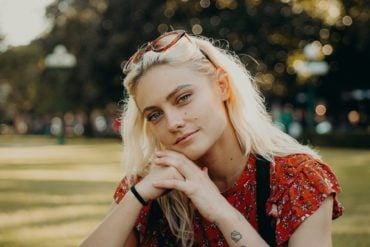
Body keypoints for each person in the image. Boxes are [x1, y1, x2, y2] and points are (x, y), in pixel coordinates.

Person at [81, 30, 343, 247]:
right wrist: (135, 196)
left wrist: (220, 210)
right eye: (155, 115)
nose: (173, 122)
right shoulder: (150, 186)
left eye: (183, 98)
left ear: (222, 86)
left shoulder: (297, 179)